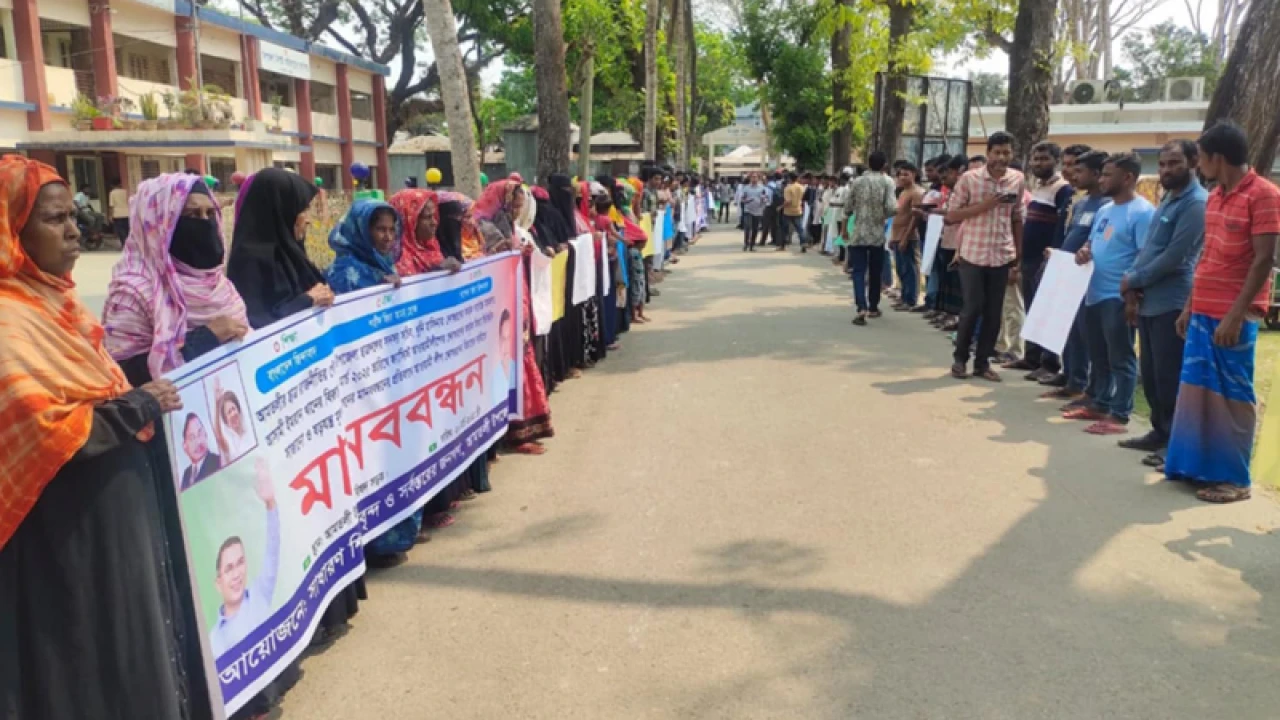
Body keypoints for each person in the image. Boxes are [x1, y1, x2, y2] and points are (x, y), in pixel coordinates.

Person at [0, 155, 208, 720]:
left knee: (131, 647)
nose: (73, 231)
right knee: (84, 658)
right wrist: (139, 404)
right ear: (11, 230)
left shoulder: (59, 304)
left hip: (114, 517)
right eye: (53, 220)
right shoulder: (8, 320)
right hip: (62, 536)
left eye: (72, 216)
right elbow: (41, 424)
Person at [1165, 121, 1279, 503]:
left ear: (1218, 158)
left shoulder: (1264, 195)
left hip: (1235, 314)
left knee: (1232, 395)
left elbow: (1263, 261)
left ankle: (1235, 479)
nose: (1200, 167)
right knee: (1197, 392)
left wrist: (1235, 314)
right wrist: (1189, 305)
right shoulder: (1215, 196)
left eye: (1202, 159)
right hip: (1203, 309)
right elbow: (1207, 257)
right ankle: (1194, 465)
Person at [1114, 140, 1207, 463]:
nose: (1166, 170)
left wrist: (1134, 280)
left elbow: (1176, 258)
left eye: (1174, 164)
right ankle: (1159, 431)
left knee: (1170, 376)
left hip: (1173, 301)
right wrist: (1132, 281)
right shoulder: (1168, 199)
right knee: (1152, 373)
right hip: (1149, 299)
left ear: (1194, 162)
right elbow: (1150, 247)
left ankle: (1175, 443)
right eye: (1163, 164)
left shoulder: (1196, 203)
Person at [1069, 153, 1154, 434]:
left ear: (1128, 177)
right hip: (1093, 292)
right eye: (1102, 174)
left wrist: (1132, 296)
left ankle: (1119, 414)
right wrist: (1084, 252)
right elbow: (1093, 242)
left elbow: (1145, 256)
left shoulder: (1142, 213)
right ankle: (1099, 402)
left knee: (1121, 357)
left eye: (1107, 175)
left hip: (1117, 297)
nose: (1102, 179)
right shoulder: (1106, 210)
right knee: (1098, 354)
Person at [474, 179, 555, 454]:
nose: (518, 211)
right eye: (515, 205)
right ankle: (516, 433)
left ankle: (525, 426)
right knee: (508, 364)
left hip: (515, 298)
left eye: (521, 206)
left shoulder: (508, 227)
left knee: (521, 359)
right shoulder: (484, 228)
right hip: (499, 305)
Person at [946, 131, 1026, 381]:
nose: (1001, 157)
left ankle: (982, 363)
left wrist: (1017, 255)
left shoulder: (1017, 179)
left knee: (994, 312)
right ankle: (960, 359)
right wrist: (985, 206)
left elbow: (1017, 217)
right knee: (972, 307)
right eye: (997, 152)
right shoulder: (969, 179)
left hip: (1002, 254)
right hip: (972, 253)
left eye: (1006, 152)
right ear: (988, 152)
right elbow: (951, 215)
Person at [227, 167, 335, 329]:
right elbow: (256, 323)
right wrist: (306, 300)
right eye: (303, 210)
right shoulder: (249, 262)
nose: (308, 220)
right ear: (281, 210)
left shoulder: (292, 253)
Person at [1007, 142, 1074, 379]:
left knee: (1047, 310)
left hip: (1046, 260)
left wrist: (1053, 254)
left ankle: (1049, 363)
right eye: (1035, 159)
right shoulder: (1038, 187)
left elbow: (1060, 226)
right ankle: (1031, 357)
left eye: (1044, 159)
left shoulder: (1063, 189)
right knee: (1033, 309)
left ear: (1056, 161)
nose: (1038, 163)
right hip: (1029, 257)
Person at [209, 459, 279, 656]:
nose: (236, 574)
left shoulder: (260, 593)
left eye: (240, 563)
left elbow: (273, 549)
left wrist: (270, 503)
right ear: (218, 582)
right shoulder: (215, 640)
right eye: (229, 568)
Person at [843, 151, 897, 326]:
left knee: (858, 271)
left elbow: (848, 207)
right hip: (877, 234)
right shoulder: (887, 181)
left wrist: (845, 228)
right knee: (875, 271)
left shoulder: (857, 182)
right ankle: (873, 306)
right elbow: (891, 208)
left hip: (859, 233)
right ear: (884, 165)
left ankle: (861, 307)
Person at [890, 162, 924, 310]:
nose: (902, 177)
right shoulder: (902, 192)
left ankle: (911, 299)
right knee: (901, 268)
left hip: (908, 236)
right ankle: (904, 296)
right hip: (897, 235)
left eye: (906, 174)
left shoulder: (916, 193)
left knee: (910, 268)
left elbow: (914, 218)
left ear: (914, 174)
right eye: (900, 174)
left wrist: (905, 237)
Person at [180, 413, 222, 489]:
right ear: (185, 446)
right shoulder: (186, 474)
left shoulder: (218, 462)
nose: (198, 441)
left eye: (200, 433)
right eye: (192, 437)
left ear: (206, 434)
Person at [739, 172, 769, 251]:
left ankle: (752, 245)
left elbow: (766, 198)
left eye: (755, 177)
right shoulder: (746, 188)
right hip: (748, 210)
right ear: (750, 178)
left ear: (758, 179)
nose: (754, 179)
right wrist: (746, 200)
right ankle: (746, 243)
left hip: (758, 211)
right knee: (748, 227)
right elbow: (742, 199)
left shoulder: (762, 188)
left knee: (755, 228)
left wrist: (763, 200)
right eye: (752, 177)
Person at [781, 172, 805, 251]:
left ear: (789, 179)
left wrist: (780, 207)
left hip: (788, 211)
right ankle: (803, 244)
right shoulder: (801, 187)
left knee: (784, 229)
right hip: (798, 210)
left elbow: (788, 201)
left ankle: (783, 245)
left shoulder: (788, 188)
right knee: (800, 229)